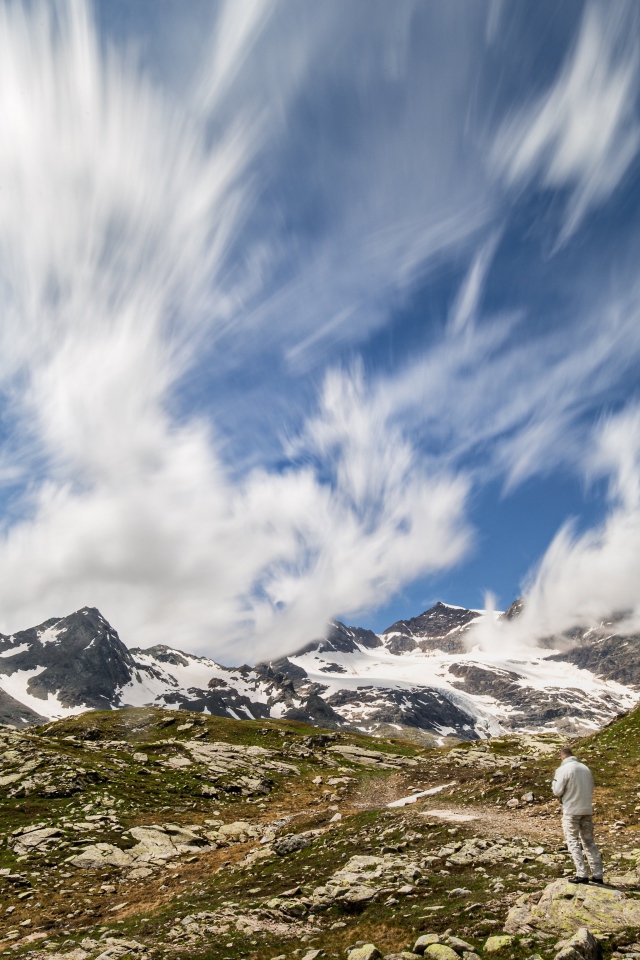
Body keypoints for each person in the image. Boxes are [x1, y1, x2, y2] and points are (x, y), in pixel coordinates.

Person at [552, 746, 603, 885]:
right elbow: (591, 788)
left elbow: (557, 790)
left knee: (572, 840)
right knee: (589, 841)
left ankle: (581, 874)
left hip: (571, 810)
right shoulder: (585, 768)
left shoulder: (562, 770)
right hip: (586, 809)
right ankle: (598, 874)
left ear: (562, 757)